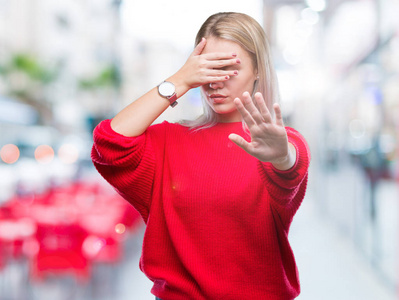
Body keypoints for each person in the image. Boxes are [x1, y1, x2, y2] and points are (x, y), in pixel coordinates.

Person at [91, 12, 310, 300]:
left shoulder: (281, 141)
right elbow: (109, 142)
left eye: (229, 67)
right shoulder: (169, 141)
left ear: (258, 70)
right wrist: (179, 81)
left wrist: (282, 156)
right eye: (207, 68)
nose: (215, 81)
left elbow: (290, 168)